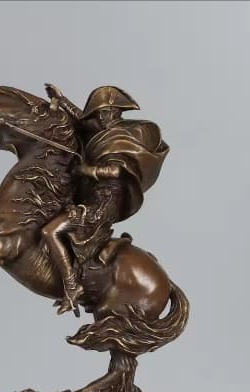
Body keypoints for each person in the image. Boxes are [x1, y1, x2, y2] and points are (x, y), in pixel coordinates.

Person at [42, 84, 170, 315]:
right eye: (98, 114)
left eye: (104, 113)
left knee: (50, 231)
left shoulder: (124, 137)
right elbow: (82, 121)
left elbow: (117, 171)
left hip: (106, 201)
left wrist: (87, 170)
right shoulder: (103, 133)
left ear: (115, 113)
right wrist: (62, 100)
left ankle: (72, 287)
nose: (99, 118)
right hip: (95, 197)